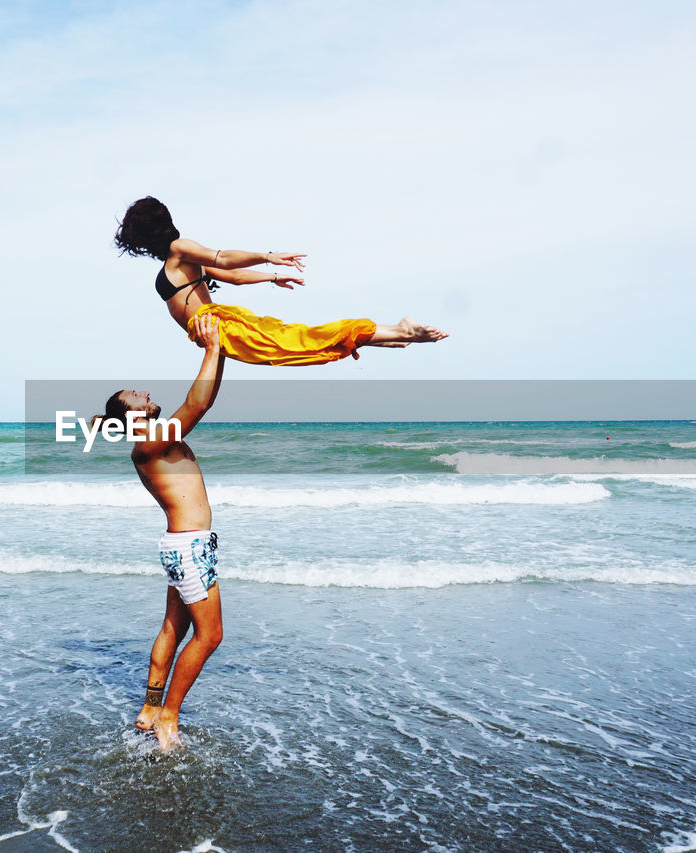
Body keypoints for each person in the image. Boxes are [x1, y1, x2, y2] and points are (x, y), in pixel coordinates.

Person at [113, 196, 449, 366]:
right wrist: (270, 270)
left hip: (220, 327)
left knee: (297, 343)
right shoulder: (178, 257)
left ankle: (398, 331)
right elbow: (228, 272)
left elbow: (224, 263)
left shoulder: (179, 249)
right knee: (297, 347)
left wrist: (268, 262)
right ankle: (395, 335)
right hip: (217, 330)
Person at [100, 314, 226, 750]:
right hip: (190, 548)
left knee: (173, 628)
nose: (146, 392)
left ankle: (150, 708)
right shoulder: (151, 442)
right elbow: (198, 405)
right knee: (210, 636)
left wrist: (222, 347)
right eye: (137, 394)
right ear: (128, 413)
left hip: (183, 546)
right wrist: (211, 349)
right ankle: (168, 717)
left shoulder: (150, 440)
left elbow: (202, 399)